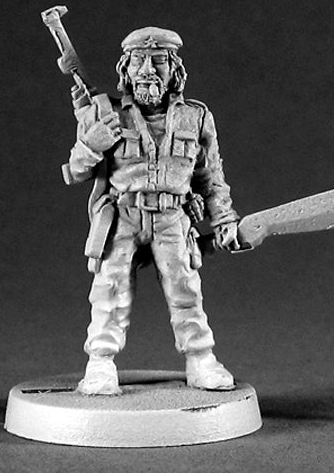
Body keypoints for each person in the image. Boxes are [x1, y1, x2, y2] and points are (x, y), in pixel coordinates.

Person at [63, 27, 240, 395]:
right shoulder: (104, 112)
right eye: (138, 61)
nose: (147, 70)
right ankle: (100, 363)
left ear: (174, 70)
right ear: (125, 70)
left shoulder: (196, 117)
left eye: (158, 61)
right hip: (122, 216)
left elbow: (210, 176)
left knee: (185, 289)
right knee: (110, 290)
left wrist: (224, 218)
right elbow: (76, 172)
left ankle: (200, 358)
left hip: (173, 217)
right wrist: (92, 144)